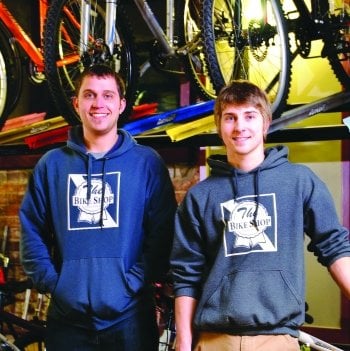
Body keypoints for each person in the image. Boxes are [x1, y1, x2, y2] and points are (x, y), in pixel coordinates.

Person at [170, 80, 350, 351]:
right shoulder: (201, 196)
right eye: (230, 117)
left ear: (265, 123)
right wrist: (183, 341)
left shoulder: (299, 181)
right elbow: (186, 273)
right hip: (214, 339)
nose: (240, 127)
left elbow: (334, 246)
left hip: (277, 338)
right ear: (219, 127)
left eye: (249, 116)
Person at [19, 64, 177, 351]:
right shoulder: (52, 165)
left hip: (130, 318)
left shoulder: (146, 163)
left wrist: (133, 283)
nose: (99, 103)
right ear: (77, 103)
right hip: (67, 319)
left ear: (121, 104)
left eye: (107, 95)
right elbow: (32, 231)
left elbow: (163, 234)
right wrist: (57, 284)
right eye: (90, 95)